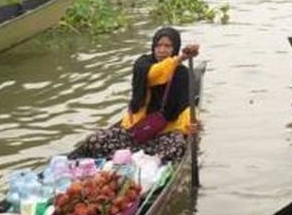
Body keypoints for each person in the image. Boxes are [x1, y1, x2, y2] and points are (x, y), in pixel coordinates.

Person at [72, 27, 200, 164]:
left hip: (163, 134)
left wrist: (193, 125)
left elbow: (185, 106)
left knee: (177, 146)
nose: (162, 50)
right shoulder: (143, 64)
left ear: (174, 48)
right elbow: (153, 75)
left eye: (167, 46)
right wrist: (179, 59)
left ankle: (140, 160)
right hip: (136, 132)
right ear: (153, 46)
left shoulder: (183, 74)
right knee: (95, 140)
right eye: (158, 45)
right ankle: (131, 159)